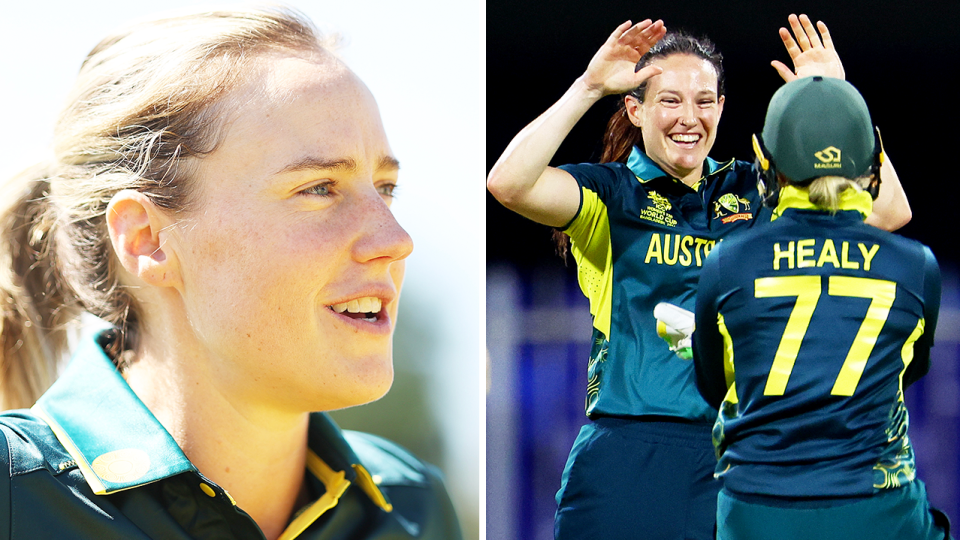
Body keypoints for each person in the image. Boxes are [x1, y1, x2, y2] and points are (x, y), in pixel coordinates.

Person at [0, 6, 461, 540]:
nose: (395, 241)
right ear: (146, 238)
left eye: (385, 188)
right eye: (319, 188)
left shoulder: (415, 507)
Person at [486, 14, 910, 540]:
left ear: (722, 108)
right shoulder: (611, 193)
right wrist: (588, 86)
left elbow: (887, 211)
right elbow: (507, 183)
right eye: (670, 100)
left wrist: (839, 101)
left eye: (704, 101)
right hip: (626, 456)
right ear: (635, 109)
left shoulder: (757, 190)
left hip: (736, 455)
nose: (690, 117)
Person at [692, 75, 950, 540]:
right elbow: (905, 371)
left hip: (757, 514)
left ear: (766, 160)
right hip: (877, 512)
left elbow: (715, 387)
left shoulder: (727, 262)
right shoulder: (916, 266)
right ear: (872, 158)